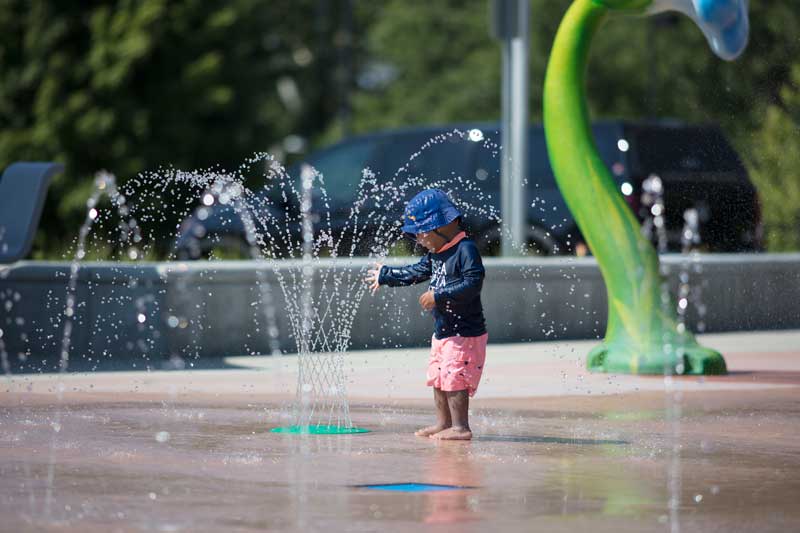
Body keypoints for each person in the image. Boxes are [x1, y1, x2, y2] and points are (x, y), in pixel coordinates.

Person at [365, 189, 488, 440]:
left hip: (465, 331)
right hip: (444, 330)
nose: (419, 240)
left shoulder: (465, 249)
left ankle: (461, 427)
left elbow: (473, 282)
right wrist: (387, 275)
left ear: (447, 224)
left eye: (422, 233)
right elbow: (416, 272)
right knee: (439, 376)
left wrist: (439, 295)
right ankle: (443, 423)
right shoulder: (436, 254)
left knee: (455, 377)